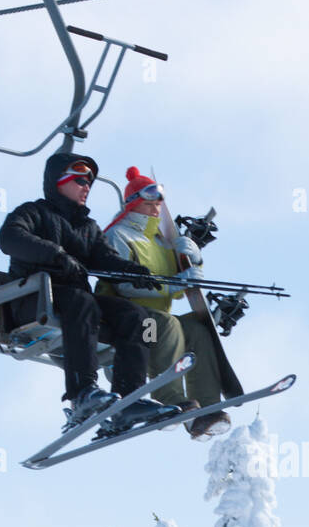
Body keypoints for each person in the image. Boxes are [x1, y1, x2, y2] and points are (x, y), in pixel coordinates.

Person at [0, 152, 174, 432]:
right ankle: (82, 393)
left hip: (74, 305)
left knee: (138, 316)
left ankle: (128, 399)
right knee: (82, 301)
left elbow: (104, 258)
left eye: (90, 182)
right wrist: (55, 255)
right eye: (80, 180)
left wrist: (133, 271)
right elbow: (9, 238)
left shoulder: (87, 227)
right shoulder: (33, 212)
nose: (86, 187)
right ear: (59, 182)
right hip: (33, 301)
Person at [97, 167, 233, 440]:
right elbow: (123, 283)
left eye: (159, 204)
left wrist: (194, 261)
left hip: (157, 322)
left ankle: (206, 410)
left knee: (197, 329)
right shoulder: (118, 235)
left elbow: (181, 289)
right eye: (149, 204)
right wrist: (173, 284)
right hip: (130, 324)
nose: (156, 210)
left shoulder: (161, 241)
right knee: (167, 325)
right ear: (135, 204)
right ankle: (170, 400)